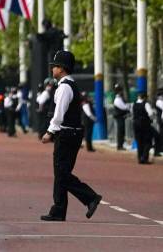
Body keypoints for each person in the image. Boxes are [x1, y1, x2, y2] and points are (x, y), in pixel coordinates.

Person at [40, 51, 102, 222]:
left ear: (62, 68)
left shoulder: (65, 87)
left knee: (62, 173)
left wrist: (50, 132)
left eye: (55, 66)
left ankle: (90, 197)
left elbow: (59, 114)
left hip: (67, 133)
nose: (53, 69)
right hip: (71, 133)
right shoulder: (68, 85)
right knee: (61, 173)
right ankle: (58, 210)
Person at [132, 92, 154, 165]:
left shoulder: (134, 104)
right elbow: (150, 114)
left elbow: (132, 113)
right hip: (145, 124)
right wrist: (151, 119)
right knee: (147, 141)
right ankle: (144, 158)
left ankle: (140, 158)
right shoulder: (146, 104)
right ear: (145, 97)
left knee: (139, 141)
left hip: (136, 124)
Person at [112, 84, 129, 151]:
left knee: (121, 131)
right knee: (120, 132)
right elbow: (124, 107)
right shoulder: (117, 99)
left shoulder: (120, 98)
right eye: (120, 90)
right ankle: (119, 145)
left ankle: (121, 145)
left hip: (121, 117)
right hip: (119, 117)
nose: (121, 92)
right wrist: (128, 107)